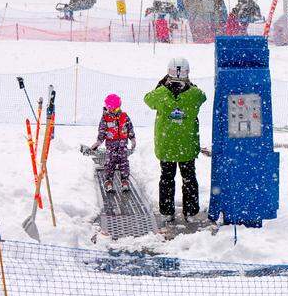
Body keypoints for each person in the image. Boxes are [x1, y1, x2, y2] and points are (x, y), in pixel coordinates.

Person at [143, 57, 207, 222]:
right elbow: (202, 96)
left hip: (167, 146)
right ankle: (191, 212)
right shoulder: (194, 95)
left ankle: (167, 211)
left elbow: (147, 99)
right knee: (189, 178)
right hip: (187, 145)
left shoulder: (160, 95)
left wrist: (161, 84)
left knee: (166, 177)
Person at [88, 93, 137, 191]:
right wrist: (98, 143)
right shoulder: (105, 118)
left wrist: (132, 139)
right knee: (110, 163)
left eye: (112, 108)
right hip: (111, 146)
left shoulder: (124, 116)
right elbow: (102, 131)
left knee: (124, 164)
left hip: (123, 145)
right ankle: (108, 181)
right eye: (108, 107)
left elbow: (130, 128)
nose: (110, 109)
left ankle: (125, 181)